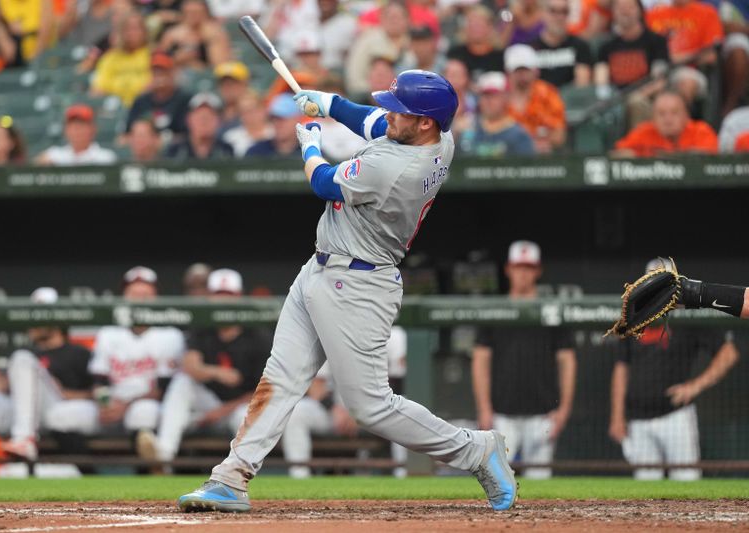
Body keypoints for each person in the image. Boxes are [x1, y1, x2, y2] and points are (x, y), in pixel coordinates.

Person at [176, 69, 518, 513]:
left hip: (359, 284)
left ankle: (476, 449)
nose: (390, 114)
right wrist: (330, 103)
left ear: (425, 122)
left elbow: (322, 182)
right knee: (279, 378)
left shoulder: (396, 167)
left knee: (371, 407)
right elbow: (370, 121)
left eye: (400, 110)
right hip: (320, 266)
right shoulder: (430, 136)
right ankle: (230, 477)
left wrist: (312, 142)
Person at [609, 259, 740, 480]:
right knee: (645, 493)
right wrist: (617, 415)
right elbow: (622, 368)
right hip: (638, 418)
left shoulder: (688, 316)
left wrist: (695, 386)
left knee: (686, 481)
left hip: (675, 416)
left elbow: (729, 352)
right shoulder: (634, 316)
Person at [137, 269, 271, 465]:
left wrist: (221, 411)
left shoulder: (258, 334)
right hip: (209, 403)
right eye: (218, 295)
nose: (223, 302)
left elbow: (263, 391)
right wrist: (217, 372)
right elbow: (191, 366)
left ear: (240, 298)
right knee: (183, 381)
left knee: (243, 417)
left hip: (239, 406)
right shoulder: (203, 327)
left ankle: (241, 472)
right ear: (209, 298)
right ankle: (163, 455)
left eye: (229, 296)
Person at [0, 288, 94, 462]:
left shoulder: (78, 353)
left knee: (23, 359)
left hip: (55, 411)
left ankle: (24, 439)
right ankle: (23, 435)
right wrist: (2, 384)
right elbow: (1, 385)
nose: (32, 321)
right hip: (19, 413)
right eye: (31, 315)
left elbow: (97, 394)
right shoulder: (26, 352)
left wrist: (65, 393)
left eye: (39, 315)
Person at [471, 241, 576, 479]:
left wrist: (564, 409)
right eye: (519, 267)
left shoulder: (552, 311)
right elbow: (480, 361)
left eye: (528, 267)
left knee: (539, 482)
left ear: (537, 271)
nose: (523, 273)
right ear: (508, 269)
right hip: (502, 413)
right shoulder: (494, 310)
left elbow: (567, 361)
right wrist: (484, 408)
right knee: (496, 478)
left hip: (543, 413)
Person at [282, 326, 408, 479]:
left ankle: (405, 476)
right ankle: (299, 479)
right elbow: (316, 385)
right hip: (338, 413)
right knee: (297, 412)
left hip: (379, 411)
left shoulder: (394, 335)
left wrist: (362, 411)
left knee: (406, 409)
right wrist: (333, 409)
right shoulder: (330, 332)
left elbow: (400, 382)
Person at [86, 266, 185, 436]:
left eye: (145, 296)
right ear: (124, 297)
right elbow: (99, 381)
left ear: (156, 299)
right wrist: (105, 403)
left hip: (147, 404)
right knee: (66, 417)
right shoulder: (108, 333)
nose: (139, 301)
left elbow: (164, 389)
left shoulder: (170, 335)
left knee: (143, 413)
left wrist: (127, 405)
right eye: (134, 295)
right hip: (112, 405)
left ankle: (149, 463)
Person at [594, 0, 669, 126]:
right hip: (615, 98)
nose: (625, 11)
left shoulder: (656, 41)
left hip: (646, 97)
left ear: (640, 10)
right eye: (620, 8)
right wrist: (608, 97)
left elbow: (659, 81)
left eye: (629, 7)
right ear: (613, 12)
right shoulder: (606, 46)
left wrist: (634, 96)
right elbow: (601, 80)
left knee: (636, 102)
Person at [646, 0, 724, 106]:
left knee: (687, 83)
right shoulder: (653, 14)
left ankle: (681, 120)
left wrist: (677, 58)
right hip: (655, 68)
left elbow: (711, 55)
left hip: (689, 68)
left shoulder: (707, 13)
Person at [613, 90, 718, 157]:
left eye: (674, 112)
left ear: (686, 116)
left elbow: (710, 157)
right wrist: (634, 155)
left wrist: (668, 156)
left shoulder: (700, 130)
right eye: (661, 114)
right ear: (653, 118)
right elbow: (617, 155)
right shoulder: (644, 131)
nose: (668, 119)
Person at [505, 44, 566, 153]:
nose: (522, 75)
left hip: (541, 159)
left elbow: (559, 135)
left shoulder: (548, 94)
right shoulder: (498, 96)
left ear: (536, 71)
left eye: (526, 70)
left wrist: (544, 142)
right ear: (508, 72)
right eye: (517, 70)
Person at [460, 72, 535, 156]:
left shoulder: (519, 136)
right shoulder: (467, 128)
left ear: (506, 97)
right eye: (484, 95)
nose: (488, 101)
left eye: (493, 96)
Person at [345, 0, 410, 95]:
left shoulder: (415, 41)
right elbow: (354, 75)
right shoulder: (367, 39)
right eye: (390, 17)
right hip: (369, 96)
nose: (394, 20)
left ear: (407, 20)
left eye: (398, 17)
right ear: (381, 18)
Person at [125, 52, 191, 143]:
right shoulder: (141, 101)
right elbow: (126, 135)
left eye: (163, 71)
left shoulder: (183, 100)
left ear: (172, 73)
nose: (159, 76)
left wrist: (160, 140)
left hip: (175, 152)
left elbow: (189, 135)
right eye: (155, 72)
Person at [90, 11, 151, 106]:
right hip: (114, 109)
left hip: (144, 108)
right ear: (121, 32)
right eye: (127, 29)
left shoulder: (153, 56)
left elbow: (155, 86)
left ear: (144, 31)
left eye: (136, 28)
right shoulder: (109, 58)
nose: (132, 33)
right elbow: (98, 88)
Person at [530, 0, 594, 87]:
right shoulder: (530, 49)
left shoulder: (580, 46)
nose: (559, 17)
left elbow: (581, 86)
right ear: (542, 13)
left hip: (569, 99)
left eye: (564, 12)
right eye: (553, 11)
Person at [158, 0, 231, 70]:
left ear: (205, 13)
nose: (193, 17)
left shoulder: (215, 33)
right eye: (189, 13)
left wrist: (206, 41)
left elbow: (220, 65)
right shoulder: (172, 34)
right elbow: (160, 62)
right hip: (176, 74)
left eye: (196, 13)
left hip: (206, 75)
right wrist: (178, 59)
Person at [36, 104, 117, 165]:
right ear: (66, 130)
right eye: (73, 127)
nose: (77, 131)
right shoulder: (54, 154)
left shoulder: (105, 158)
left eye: (81, 126)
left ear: (93, 129)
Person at [166, 92, 233, 160]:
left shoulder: (226, 150)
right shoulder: (175, 151)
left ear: (219, 121)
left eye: (209, 117)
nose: (204, 122)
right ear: (188, 120)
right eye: (199, 117)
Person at [446, 6, 504, 81]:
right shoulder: (455, 54)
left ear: (489, 27)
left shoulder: (499, 57)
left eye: (479, 24)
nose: (475, 28)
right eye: (472, 24)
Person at [219, 91, 274, 158]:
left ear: (262, 110)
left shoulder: (275, 133)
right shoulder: (230, 138)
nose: (249, 115)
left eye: (252, 110)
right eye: (244, 112)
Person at [315, 0, 357, 71]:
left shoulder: (349, 23)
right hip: (309, 72)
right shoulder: (309, 22)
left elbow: (353, 55)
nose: (325, 2)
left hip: (337, 71)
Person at [214, 61, 251, 128]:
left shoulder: (255, 111)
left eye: (232, 83)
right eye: (223, 84)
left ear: (245, 84)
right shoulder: (215, 112)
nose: (227, 88)